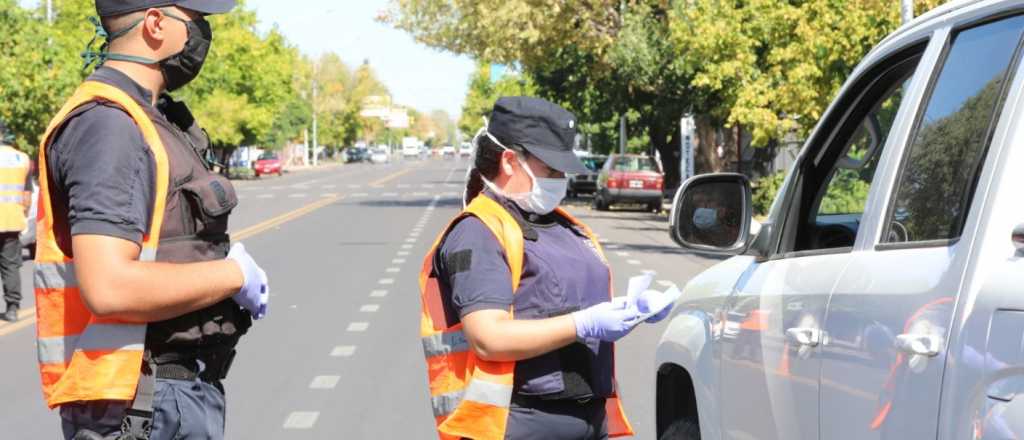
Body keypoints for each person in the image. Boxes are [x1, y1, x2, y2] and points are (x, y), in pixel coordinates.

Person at [34, 1, 268, 439]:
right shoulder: (110, 126)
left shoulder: (147, 119)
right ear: (156, 23)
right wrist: (232, 275)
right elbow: (109, 287)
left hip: (166, 398)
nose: (203, 36)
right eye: (197, 23)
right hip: (142, 406)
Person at [418, 97, 674, 440]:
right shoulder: (479, 231)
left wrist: (632, 309)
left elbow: (575, 308)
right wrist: (584, 324)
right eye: (551, 170)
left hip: (588, 417)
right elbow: (488, 338)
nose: (560, 179)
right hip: (517, 423)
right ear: (510, 161)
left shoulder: (566, 227)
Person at [0, 120, 31, 322]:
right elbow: (27, 195)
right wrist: (24, 214)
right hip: (12, 221)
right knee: (10, 266)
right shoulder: (22, 159)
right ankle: (12, 308)